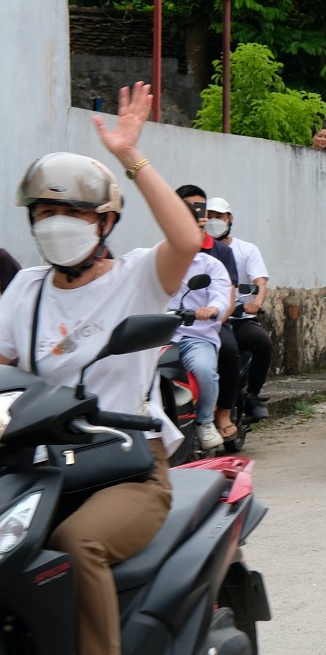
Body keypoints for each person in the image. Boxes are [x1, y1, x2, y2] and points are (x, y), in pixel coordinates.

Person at [0, 83, 194, 655]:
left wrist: (130, 157)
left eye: (74, 211)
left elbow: (186, 238)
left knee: (75, 542)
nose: (58, 222)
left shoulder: (136, 278)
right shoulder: (24, 291)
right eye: (47, 211)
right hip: (38, 465)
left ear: (104, 222)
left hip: (128, 468)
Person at [175, 185, 241, 432]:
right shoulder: (162, 253)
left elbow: (226, 296)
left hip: (207, 323)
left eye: (198, 207)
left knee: (228, 349)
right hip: (169, 328)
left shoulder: (219, 253)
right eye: (186, 207)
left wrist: (212, 317)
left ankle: (221, 414)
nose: (195, 213)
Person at [206, 197, 273, 422]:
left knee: (262, 342)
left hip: (238, 319)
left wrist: (257, 303)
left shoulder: (245, 250)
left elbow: (260, 282)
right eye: (210, 217)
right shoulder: (195, 249)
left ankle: (252, 394)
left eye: (219, 216)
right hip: (206, 320)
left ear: (229, 219)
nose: (214, 221)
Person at [167, 241, 231, 451]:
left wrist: (211, 309)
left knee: (204, 370)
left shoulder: (210, 265)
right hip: (159, 336)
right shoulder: (157, 262)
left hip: (196, 336)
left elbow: (221, 295)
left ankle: (204, 422)